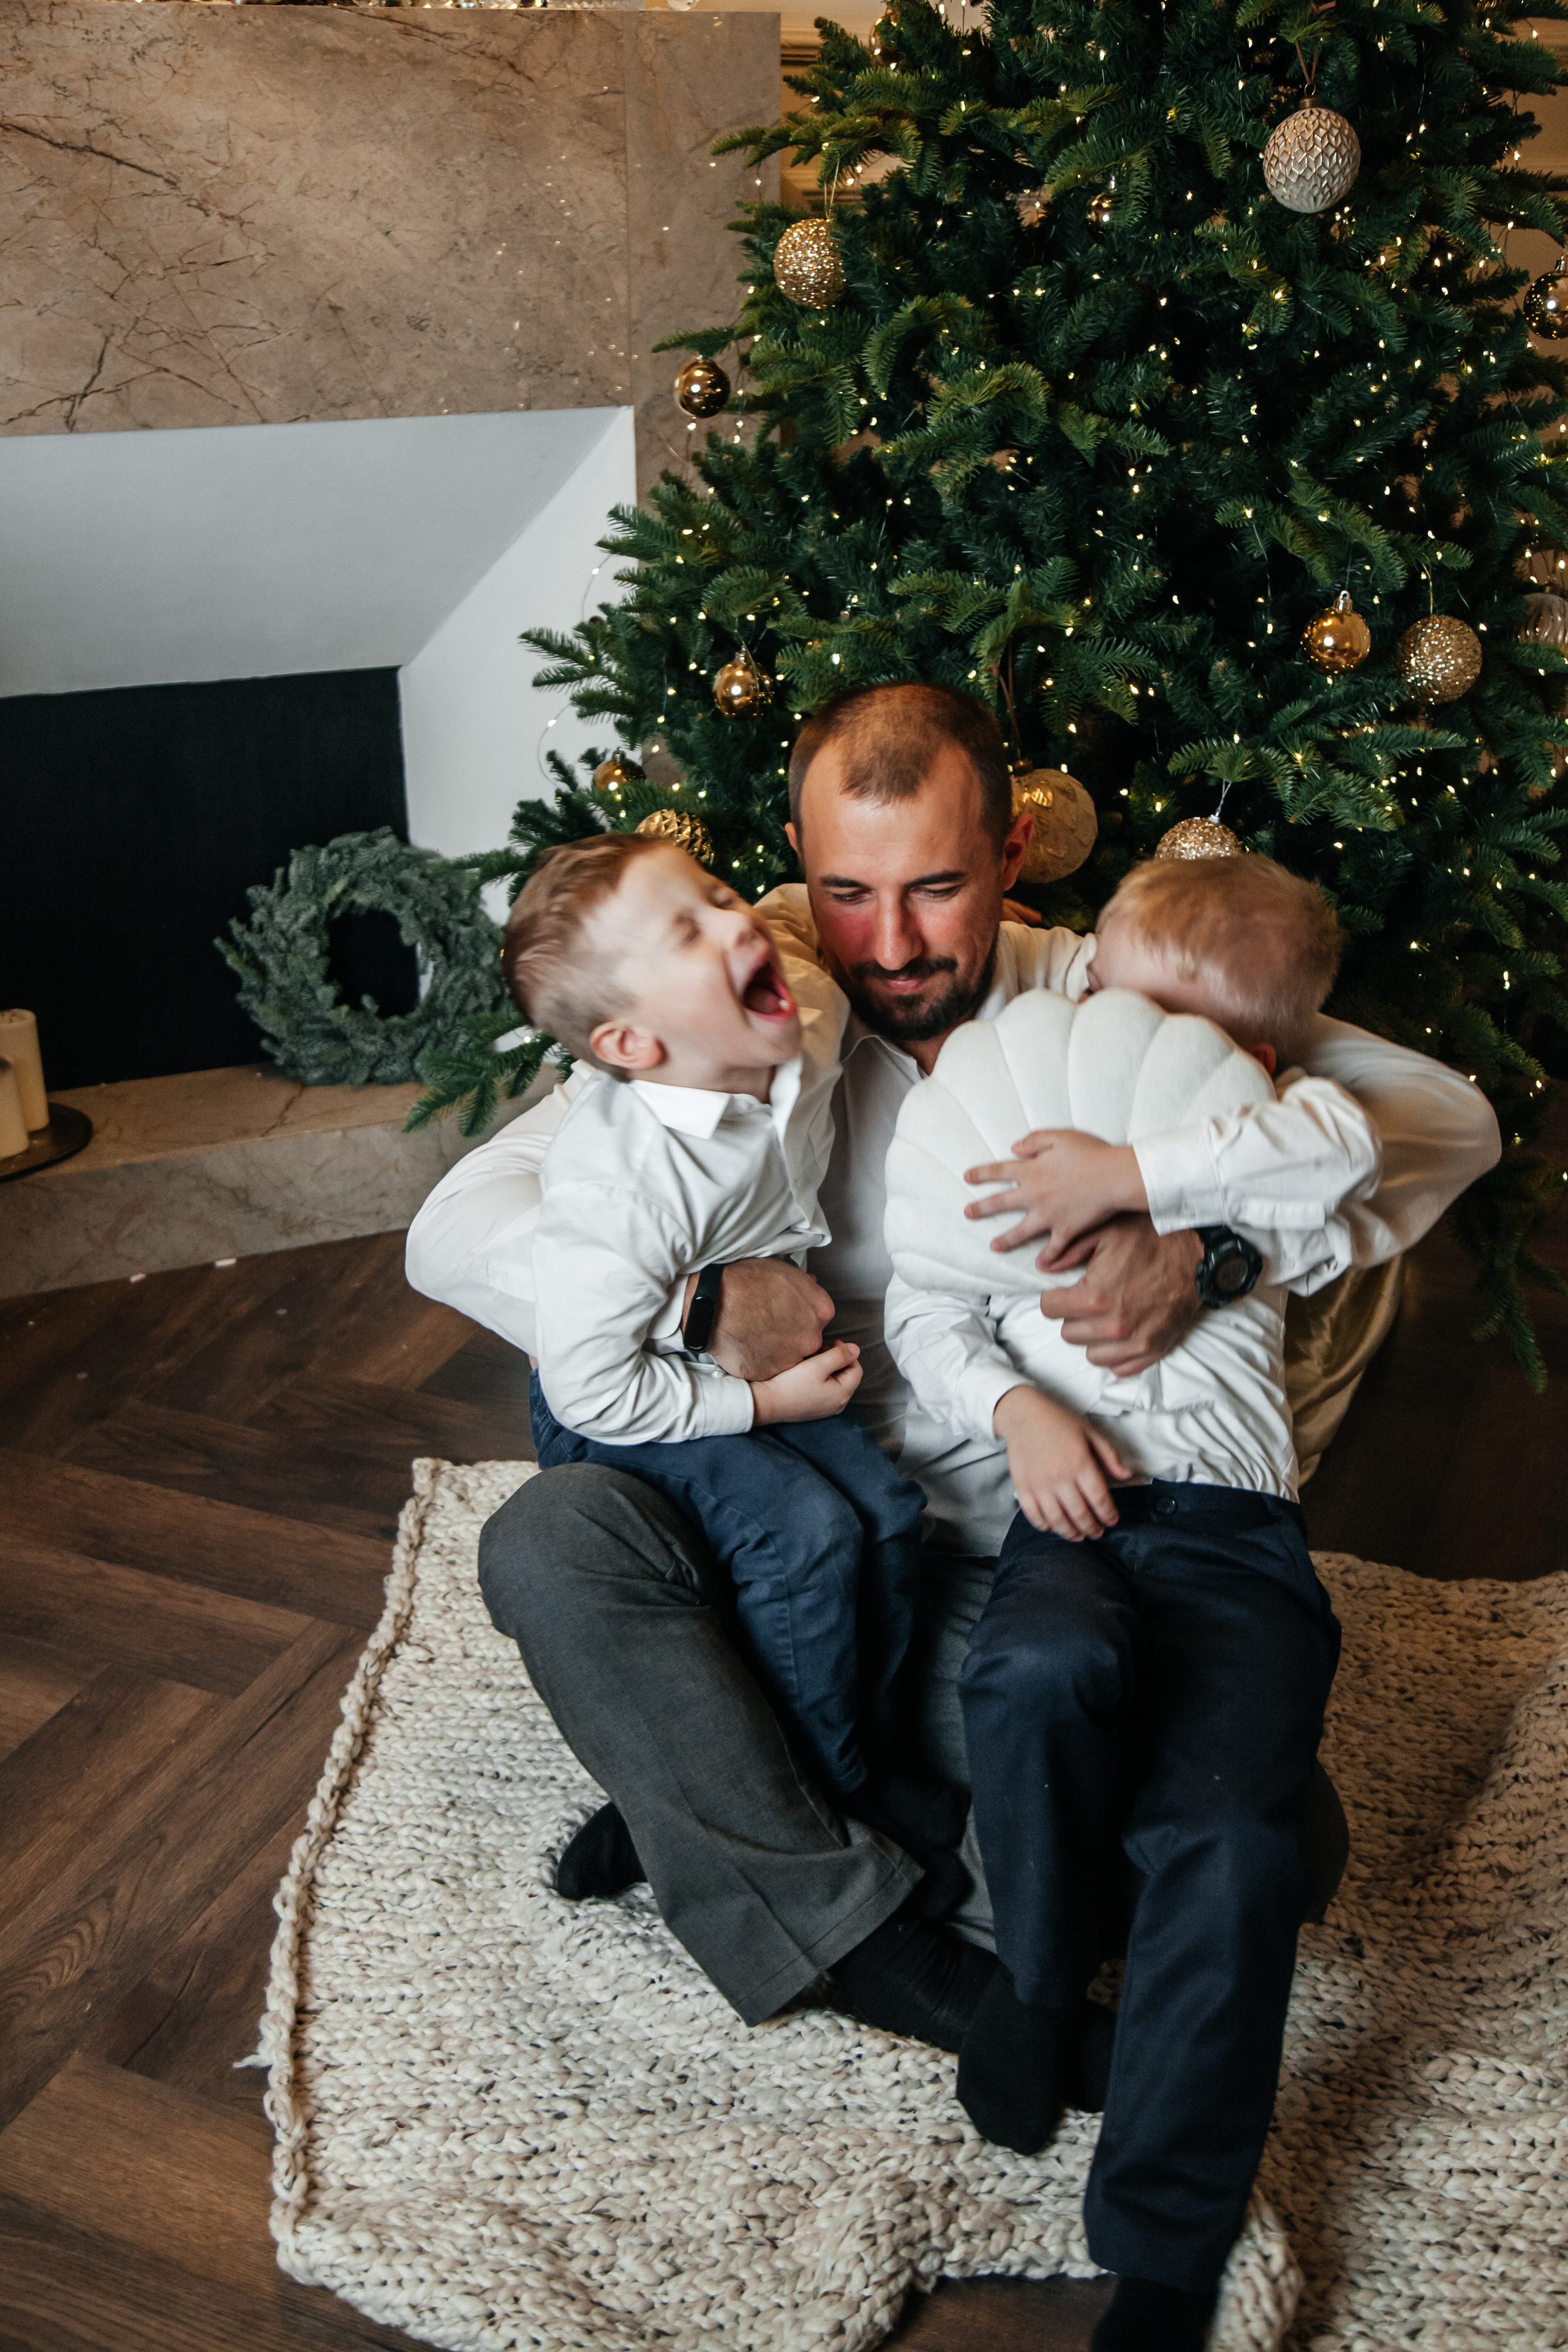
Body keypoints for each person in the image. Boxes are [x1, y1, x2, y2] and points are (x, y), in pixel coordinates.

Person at [405, 681, 1500, 2061]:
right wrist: (697, 1306)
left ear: (1010, 858)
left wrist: (1205, 1236)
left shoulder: (1115, 990)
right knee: (550, 1544)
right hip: (772, 1533)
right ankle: (868, 1940)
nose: (892, 941)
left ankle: (717, 1794)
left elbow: (1440, 1122)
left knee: (1285, 1851)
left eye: (933, 888)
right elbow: (452, 1230)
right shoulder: (757, 1007)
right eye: (845, 891)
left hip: (1016, 1573)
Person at [884, 852, 1370, 2351]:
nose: (1118, 1063)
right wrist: (1012, 1412)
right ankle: (1037, 1980)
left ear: (1254, 1063)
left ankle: (1165, 2241)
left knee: (1226, 1836)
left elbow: (1345, 1149)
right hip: (1066, 1522)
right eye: (1108, 1010)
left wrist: (1144, 1175)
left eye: (1178, 1042)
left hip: (1232, 1540)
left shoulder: (1266, 1174)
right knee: (1030, 1680)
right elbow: (925, 1298)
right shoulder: (1006, 1135)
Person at [509, 828, 944, 1870]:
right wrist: (763, 1410)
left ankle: (844, 1766)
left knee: (886, 1514)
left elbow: (797, 905)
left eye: (717, 891)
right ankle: (771, 1806)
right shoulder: (623, 1184)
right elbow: (589, 1384)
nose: (733, 919)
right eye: (687, 929)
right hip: (629, 1404)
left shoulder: (804, 1014)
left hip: (747, 1374)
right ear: (632, 1045)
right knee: (805, 1536)